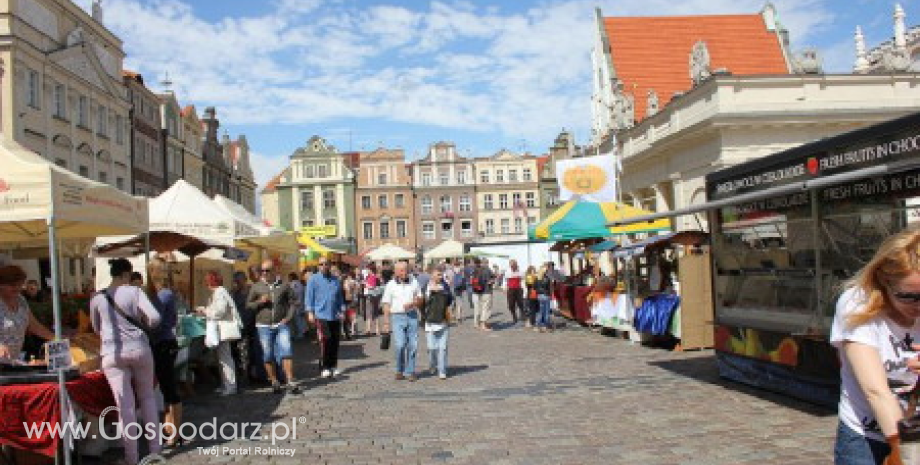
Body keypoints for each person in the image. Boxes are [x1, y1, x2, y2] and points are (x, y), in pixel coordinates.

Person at [831, 227, 920, 464]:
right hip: (865, 433)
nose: (918, 306)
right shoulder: (858, 302)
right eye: (909, 297)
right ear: (884, 282)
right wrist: (900, 451)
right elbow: (876, 391)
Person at [88, 259, 161, 465]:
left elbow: (96, 328)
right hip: (139, 347)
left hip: (112, 352)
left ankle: (131, 457)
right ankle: (155, 450)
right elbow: (155, 318)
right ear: (127, 274)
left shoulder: (97, 298)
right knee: (147, 398)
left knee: (124, 407)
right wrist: (141, 323)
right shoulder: (134, 292)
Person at [146, 258, 183, 447]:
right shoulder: (162, 294)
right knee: (165, 388)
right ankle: (170, 428)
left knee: (169, 389)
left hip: (163, 343)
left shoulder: (164, 295)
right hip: (163, 342)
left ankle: (175, 432)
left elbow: (156, 322)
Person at [247, 260, 298, 394]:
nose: (264, 273)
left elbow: (294, 302)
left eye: (267, 270)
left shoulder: (284, 286)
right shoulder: (256, 287)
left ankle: (290, 380)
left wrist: (288, 317)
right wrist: (259, 301)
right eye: (262, 270)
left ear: (274, 270)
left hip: (281, 324)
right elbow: (249, 305)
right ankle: (274, 381)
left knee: (286, 350)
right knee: (268, 355)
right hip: (263, 325)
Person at [197, 271, 240, 396]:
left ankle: (230, 386)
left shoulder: (220, 292)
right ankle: (226, 384)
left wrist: (204, 310)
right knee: (221, 358)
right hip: (220, 329)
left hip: (223, 329)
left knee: (225, 358)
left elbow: (219, 312)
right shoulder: (219, 292)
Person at [0, 266, 55, 362]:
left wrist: (56, 338)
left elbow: (34, 325)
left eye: (20, 284)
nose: (17, 288)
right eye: (12, 285)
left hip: (11, 361)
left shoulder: (21, 300)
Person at [382, 261, 423, 381]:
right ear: (395, 272)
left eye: (406, 269)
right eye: (401, 270)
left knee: (413, 345)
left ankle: (410, 371)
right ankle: (399, 369)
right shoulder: (390, 285)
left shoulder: (414, 281)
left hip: (412, 316)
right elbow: (386, 303)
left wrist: (414, 303)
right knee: (400, 345)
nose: (405, 272)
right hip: (397, 317)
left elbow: (421, 298)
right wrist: (386, 322)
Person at [305, 258, 345, 378]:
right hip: (321, 315)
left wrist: (342, 310)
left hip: (334, 315)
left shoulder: (335, 280)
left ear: (329, 265)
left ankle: (333, 365)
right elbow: (308, 298)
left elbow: (339, 298)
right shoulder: (313, 280)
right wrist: (310, 312)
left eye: (326, 264)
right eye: (321, 264)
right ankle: (324, 366)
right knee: (325, 340)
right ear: (318, 266)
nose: (323, 266)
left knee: (335, 341)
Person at [231, 271, 265, 384]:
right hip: (240, 325)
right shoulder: (234, 293)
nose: (236, 283)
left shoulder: (253, 290)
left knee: (254, 351)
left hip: (254, 324)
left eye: (238, 281)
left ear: (245, 280)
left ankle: (254, 374)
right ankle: (243, 373)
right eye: (235, 281)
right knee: (240, 351)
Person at [424, 266, 453, 380]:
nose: (440, 277)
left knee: (443, 348)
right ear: (432, 276)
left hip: (443, 320)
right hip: (430, 322)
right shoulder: (426, 287)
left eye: (441, 275)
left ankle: (442, 370)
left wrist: (443, 291)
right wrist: (431, 291)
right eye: (437, 275)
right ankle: (432, 364)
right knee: (431, 348)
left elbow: (450, 300)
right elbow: (423, 302)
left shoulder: (445, 286)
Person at [470, 258, 495, 331]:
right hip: (487, 291)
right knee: (486, 308)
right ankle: (483, 325)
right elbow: (492, 280)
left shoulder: (476, 270)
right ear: (487, 263)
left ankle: (477, 323)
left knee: (479, 308)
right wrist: (491, 281)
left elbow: (471, 280)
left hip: (478, 291)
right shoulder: (488, 270)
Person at [364, 264, 383, 336]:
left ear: (370, 270)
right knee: (375, 313)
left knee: (370, 312)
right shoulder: (374, 277)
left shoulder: (372, 277)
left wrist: (366, 284)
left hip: (371, 296)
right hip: (376, 297)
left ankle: (369, 330)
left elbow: (372, 286)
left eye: (368, 269)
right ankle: (376, 329)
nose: (367, 271)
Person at [534, 265, 553, 333]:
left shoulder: (537, 278)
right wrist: (550, 295)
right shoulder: (547, 278)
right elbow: (549, 288)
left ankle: (537, 325)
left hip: (539, 295)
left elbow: (534, 287)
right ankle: (545, 326)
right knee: (546, 312)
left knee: (540, 311)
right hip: (546, 295)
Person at [505, 260, 525, 325]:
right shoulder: (507, 272)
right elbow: (505, 281)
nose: (512, 267)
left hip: (518, 289)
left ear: (516, 265)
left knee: (520, 303)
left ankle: (522, 314)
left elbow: (523, 280)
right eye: (511, 265)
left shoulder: (520, 271)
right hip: (510, 289)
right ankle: (514, 316)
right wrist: (505, 288)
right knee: (511, 304)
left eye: (513, 265)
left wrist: (523, 289)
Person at [288, 272, 306, 340]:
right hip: (301, 304)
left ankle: (299, 334)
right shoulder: (300, 284)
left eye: (289, 277)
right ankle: (302, 332)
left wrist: (291, 301)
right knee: (300, 320)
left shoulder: (293, 284)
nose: (288, 279)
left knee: (296, 321)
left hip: (295, 304)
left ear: (291, 277)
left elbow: (292, 294)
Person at [342, 269, 358, 340]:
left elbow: (346, 290)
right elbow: (359, 290)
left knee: (347, 317)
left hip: (347, 301)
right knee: (353, 315)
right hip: (354, 300)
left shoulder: (346, 282)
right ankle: (353, 331)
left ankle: (348, 332)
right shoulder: (356, 282)